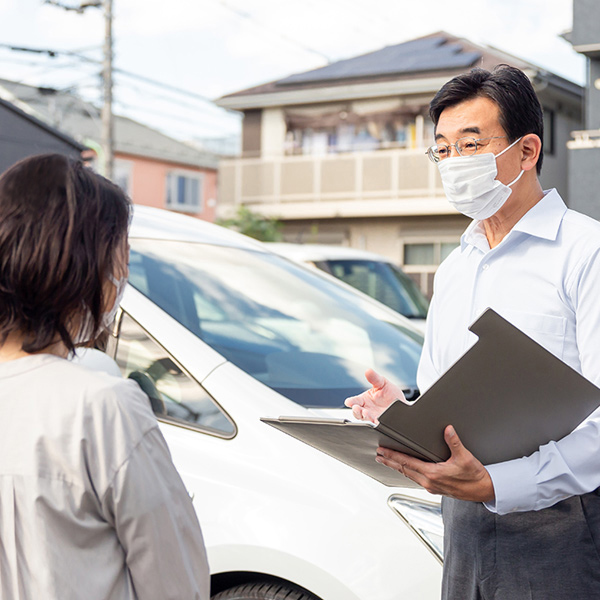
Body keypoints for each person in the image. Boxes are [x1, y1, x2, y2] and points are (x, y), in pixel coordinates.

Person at [346, 65, 600, 599]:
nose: (454, 162)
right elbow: (445, 397)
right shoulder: (456, 267)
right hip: (462, 525)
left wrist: (498, 484)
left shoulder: (586, 252)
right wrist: (402, 410)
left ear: (527, 151)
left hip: (564, 530)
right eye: (442, 149)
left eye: (471, 144)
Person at [0, 154, 210, 599]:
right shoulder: (104, 406)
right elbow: (176, 586)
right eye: (122, 255)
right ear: (85, 268)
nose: (124, 273)